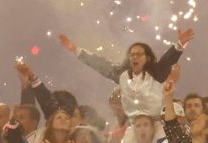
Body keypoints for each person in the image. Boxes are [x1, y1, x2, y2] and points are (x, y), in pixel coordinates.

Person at [59, 27, 194, 119]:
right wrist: (76, 50)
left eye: (139, 54)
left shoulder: (157, 74)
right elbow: (100, 65)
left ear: (148, 58)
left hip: (158, 124)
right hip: (136, 128)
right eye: (132, 55)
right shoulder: (123, 76)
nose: (135, 57)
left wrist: (179, 44)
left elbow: (167, 59)